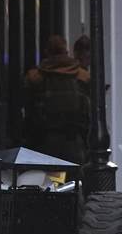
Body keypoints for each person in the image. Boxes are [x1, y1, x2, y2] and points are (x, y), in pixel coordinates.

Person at [23, 35, 91, 165]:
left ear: (47, 52)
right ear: (66, 51)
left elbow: (28, 112)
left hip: (43, 143)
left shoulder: (35, 78)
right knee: (75, 180)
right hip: (74, 143)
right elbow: (88, 114)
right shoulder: (83, 77)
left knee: (46, 181)